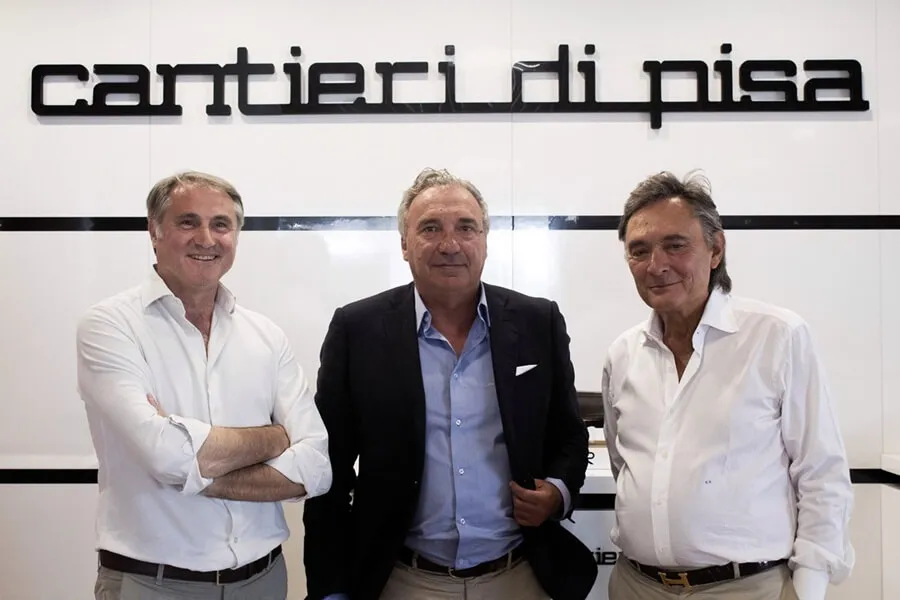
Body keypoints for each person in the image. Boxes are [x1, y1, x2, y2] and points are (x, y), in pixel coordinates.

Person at [302, 168, 597, 600]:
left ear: (485, 241)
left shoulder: (538, 321)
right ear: (404, 244)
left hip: (520, 574)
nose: (450, 244)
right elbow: (329, 465)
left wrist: (558, 492)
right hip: (402, 579)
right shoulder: (357, 329)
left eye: (466, 228)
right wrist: (330, 589)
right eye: (430, 228)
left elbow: (568, 434)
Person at [76, 171, 332, 599]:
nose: (206, 239)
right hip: (153, 584)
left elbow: (317, 469)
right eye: (188, 222)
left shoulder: (266, 336)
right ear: (154, 231)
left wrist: (192, 469)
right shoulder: (110, 326)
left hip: (263, 581)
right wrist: (275, 437)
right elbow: (165, 456)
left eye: (221, 225)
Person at [601, 171, 854, 600]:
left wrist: (809, 588)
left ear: (715, 249)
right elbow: (622, 463)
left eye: (675, 245)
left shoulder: (777, 336)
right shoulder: (622, 354)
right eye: (639, 251)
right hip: (635, 585)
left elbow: (821, 472)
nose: (656, 265)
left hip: (746, 588)